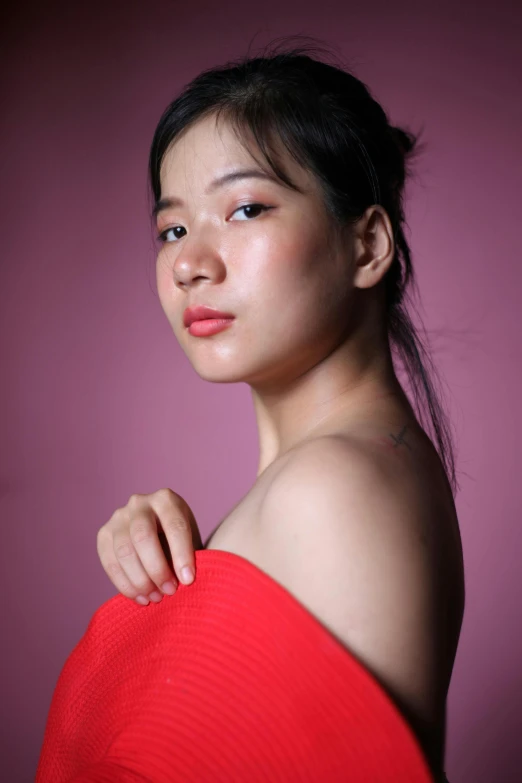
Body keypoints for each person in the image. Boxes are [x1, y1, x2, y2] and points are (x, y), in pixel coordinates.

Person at [39, 38, 465, 783]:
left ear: (367, 245)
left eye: (243, 208)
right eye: (173, 227)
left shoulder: (333, 491)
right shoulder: (326, 484)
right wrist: (181, 595)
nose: (189, 262)